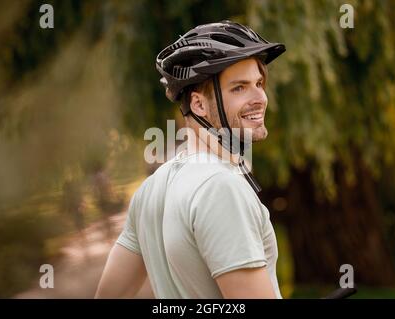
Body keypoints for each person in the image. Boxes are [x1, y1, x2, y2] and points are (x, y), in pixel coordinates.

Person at [95, 20, 286, 299]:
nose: (260, 98)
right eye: (239, 88)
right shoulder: (221, 188)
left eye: (259, 83)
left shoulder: (150, 190)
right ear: (198, 104)